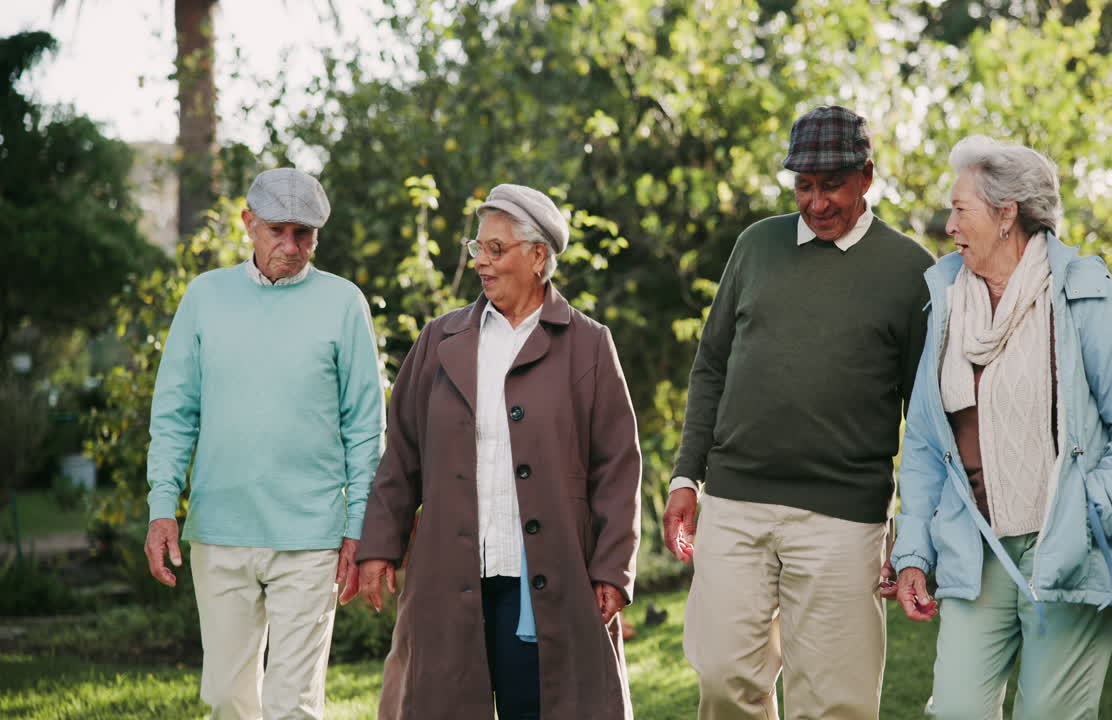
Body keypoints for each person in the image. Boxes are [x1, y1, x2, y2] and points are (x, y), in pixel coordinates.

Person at [662, 105, 936, 720]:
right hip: (735, 501)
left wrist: (915, 533)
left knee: (836, 702)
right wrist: (686, 476)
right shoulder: (756, 246)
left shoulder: (912, 272)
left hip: (844, 516)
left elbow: (925, 422)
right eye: (803, 186)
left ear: (867, 176)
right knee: (724, 678)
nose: (816, 203)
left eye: (831, 184)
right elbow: (711, 366)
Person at [891, 135, 1112, 719]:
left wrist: (1083, 517)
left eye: (960, 209)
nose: (948, 225)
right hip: (976, 548)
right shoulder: (946, 301)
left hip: (1067, 550)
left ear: (1005, 213)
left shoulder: (1082, 294)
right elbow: (923, 443)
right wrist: (912, 553)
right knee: (957, 711)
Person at [353, 184, 642, 720]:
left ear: (538, 257)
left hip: (546, 580)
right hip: (450, 571)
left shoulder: (588, 344)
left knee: (540, 707)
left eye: (496, 249)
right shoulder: (441, 339)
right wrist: (379, 546)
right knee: (442, 702)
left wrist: (612, 568)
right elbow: (403, 456)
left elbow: (618, 467)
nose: (482, 262)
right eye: (477, 247)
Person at [144, 168, 386, 719]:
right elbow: (175, 413)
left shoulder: (344, 303)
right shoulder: (205, 297)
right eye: (278, 230)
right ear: (248, 223)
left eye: (305, 234)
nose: (292, 247)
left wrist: (357, 529)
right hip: (220, 530)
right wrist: (163, 509)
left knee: (293, 703)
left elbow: (365, 428)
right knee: (228, 698)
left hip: (311, 536)